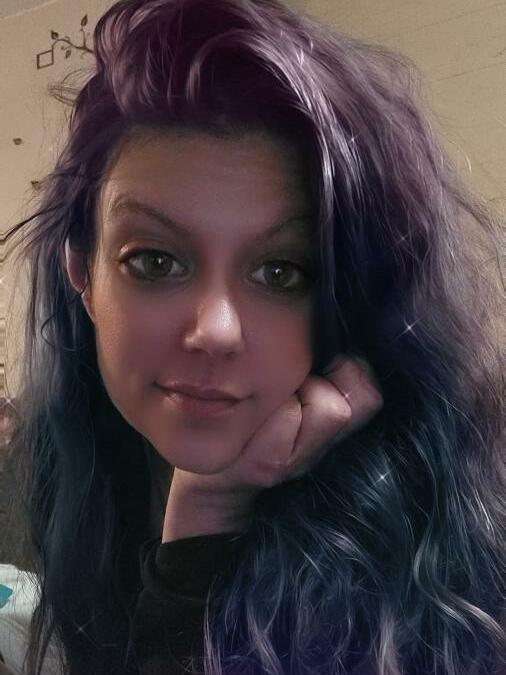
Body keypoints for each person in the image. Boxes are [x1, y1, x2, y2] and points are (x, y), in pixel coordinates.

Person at [1, 0, 504, 674]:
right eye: (154, 261)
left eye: (281, 271)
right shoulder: (54, 464)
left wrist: (200, 532)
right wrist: (207, 511)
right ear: (83, 276)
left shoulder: (454, 535)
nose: (215, 330)